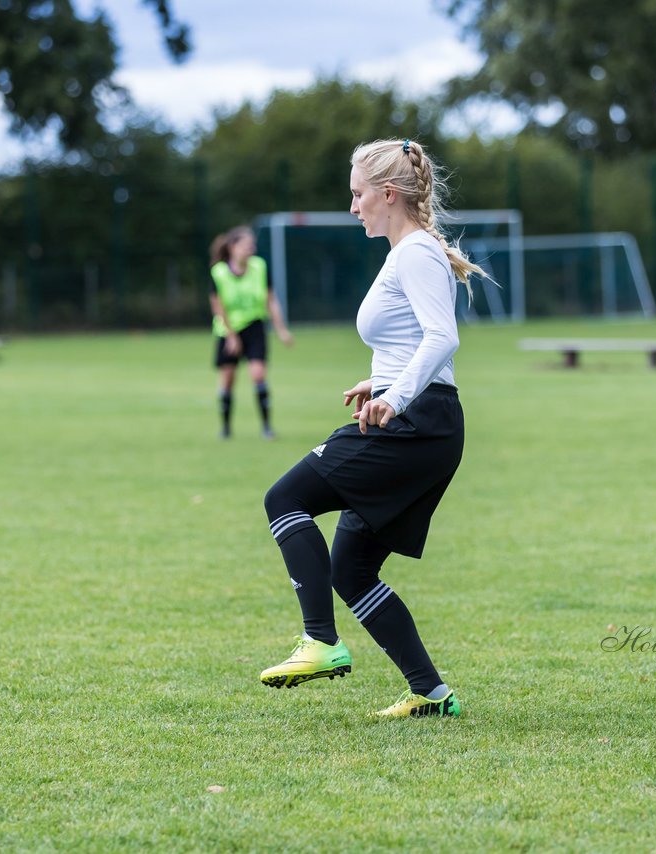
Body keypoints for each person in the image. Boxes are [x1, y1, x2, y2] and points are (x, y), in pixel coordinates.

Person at [259, 138, 485, 719]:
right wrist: (378, 384)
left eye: (358, 194)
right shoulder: (407, 252)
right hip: (418, 417)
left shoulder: (415, 253)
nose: (353, 206)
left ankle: (321, 642)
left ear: (388, 194)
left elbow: (443, 339)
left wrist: (396, 397)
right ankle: (431, 695)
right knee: (351, 569)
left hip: (417, 424)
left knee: (286, 497)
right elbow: (413, 343)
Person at [208, 225, 293, 439]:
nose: (250, 249)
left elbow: (270, 300)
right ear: (232, 247)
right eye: (246, 245)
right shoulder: (218, 272)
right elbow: (218, 307)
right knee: (227, 379)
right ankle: (225, 428)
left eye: (252, 245)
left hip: (254, 326)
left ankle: (266, 427)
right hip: (227, 330)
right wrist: (231, 336)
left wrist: (281, 329)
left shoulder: (259, 267)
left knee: (258, 374)